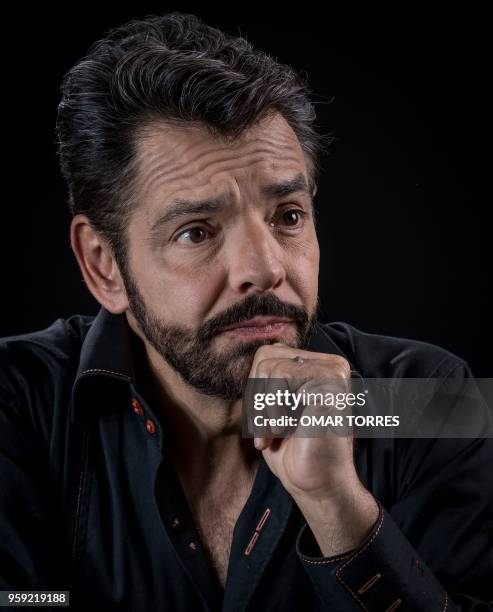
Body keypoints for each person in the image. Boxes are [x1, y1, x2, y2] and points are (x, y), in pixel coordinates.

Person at [0, 12, 491, 611]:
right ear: (105, 264)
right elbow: (22, 601)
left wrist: (339, 509)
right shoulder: (18, 404)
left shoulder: (435, 400)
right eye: (197, 231)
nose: (266, 268)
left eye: (288, 216)